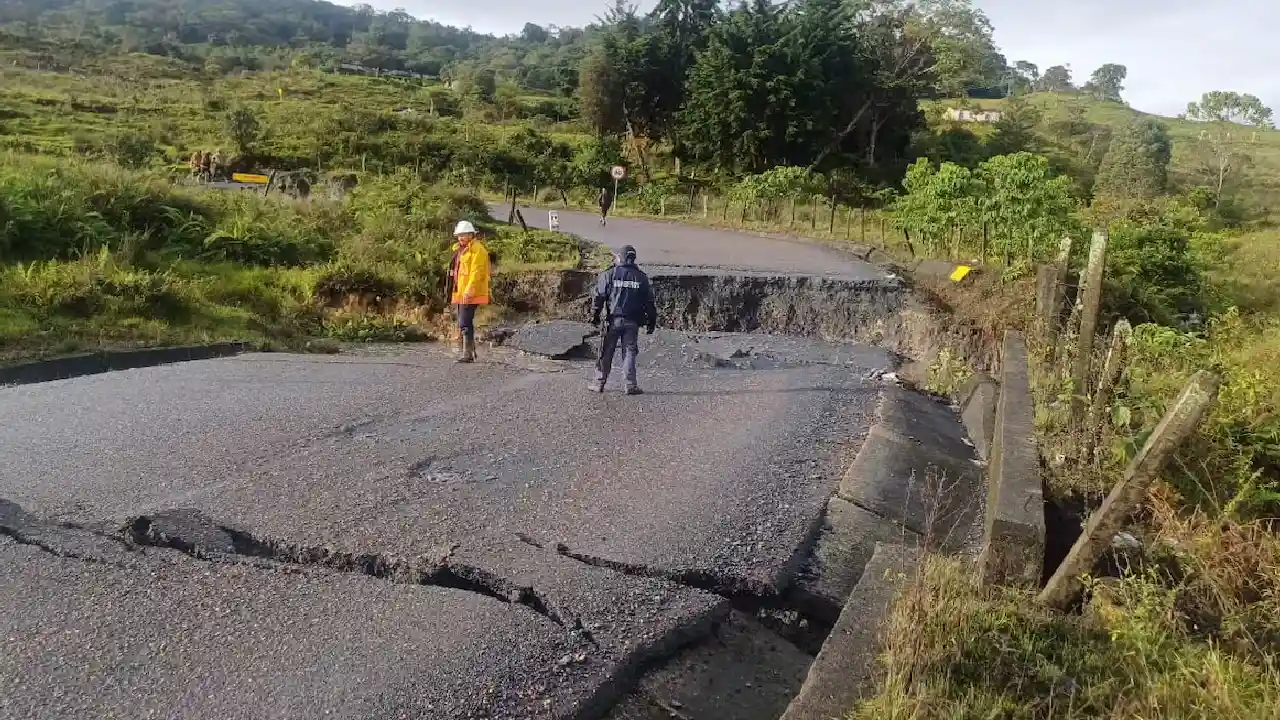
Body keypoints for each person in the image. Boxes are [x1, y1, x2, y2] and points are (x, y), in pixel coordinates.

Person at [590, 244, 656, 395]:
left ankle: (599, 383)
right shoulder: (641, 277)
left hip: (612, 321)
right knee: (630, 352)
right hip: (632, 322)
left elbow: (599, 297)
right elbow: (650, 303)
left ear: (621, 257)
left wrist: (594, 316)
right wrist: (651, 322)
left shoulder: (610, 274)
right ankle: (630, 385)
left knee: (606, 351)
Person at [447, 220, 491, 363]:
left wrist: (469, 291)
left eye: (464, 234)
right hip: (461, 293)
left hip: (471, 293)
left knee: (464, 321)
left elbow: (476, 272)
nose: (461, 237)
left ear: (471, 235)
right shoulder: (460, 250)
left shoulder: (478, 250)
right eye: (459, 235)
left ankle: (468, 354)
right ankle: (470, 352)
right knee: (463, 322)